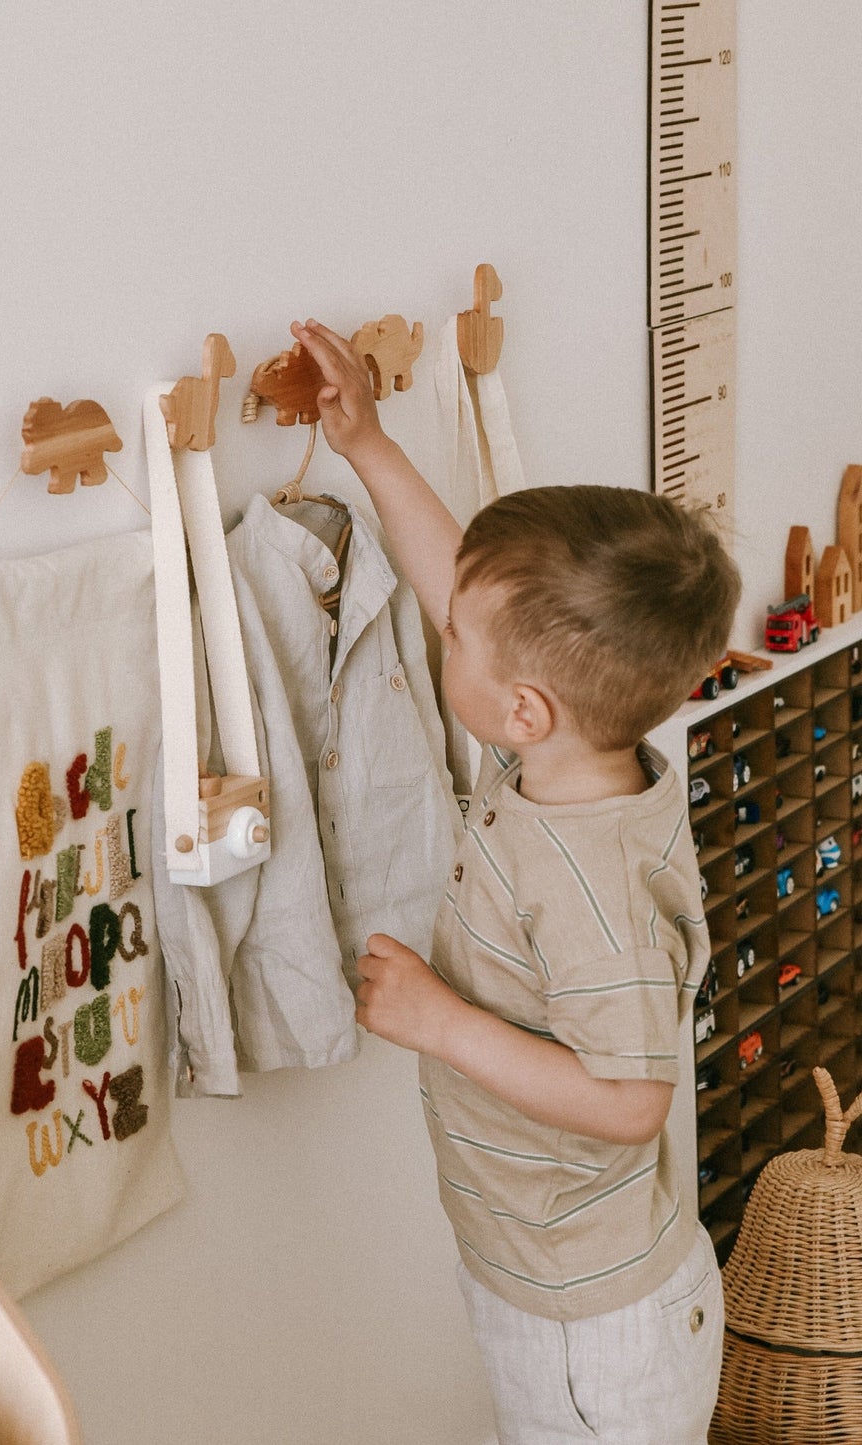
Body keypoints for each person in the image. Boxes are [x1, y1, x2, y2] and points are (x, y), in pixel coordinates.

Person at [292, 318, 741, 1444]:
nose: (439, 628)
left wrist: (440, 1022)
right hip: (536, 1272)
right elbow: (459, 581)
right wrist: (368, 445)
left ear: (522, 706)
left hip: (599, 1323)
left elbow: (632, 1101)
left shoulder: (590, 883)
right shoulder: (553, 761)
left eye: (452, 638)